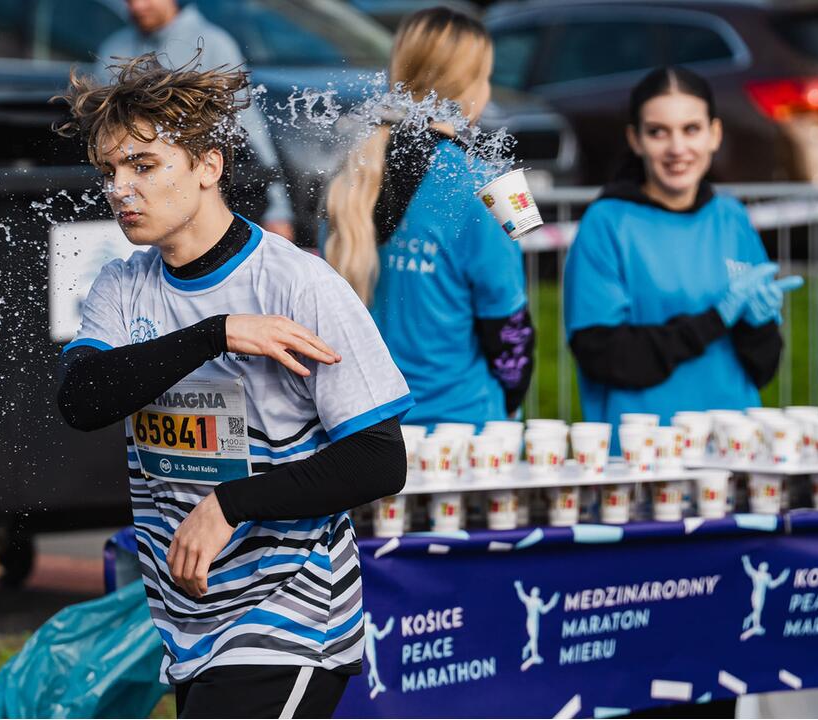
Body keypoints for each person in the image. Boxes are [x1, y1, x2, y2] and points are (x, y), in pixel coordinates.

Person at [53, 54, 413, 718]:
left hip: (293, 618)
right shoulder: (121, 285)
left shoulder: (300, 285)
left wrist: (228, 505)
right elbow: (82, 400)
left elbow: (380, 458)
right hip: (189, 622)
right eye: (109, 171)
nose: (120, 189)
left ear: (207, 167)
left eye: (143, 165)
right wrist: (215, 333)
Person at [324, 7, 534, 430]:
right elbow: (512, 327)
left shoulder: (348, 174)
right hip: (461, 433)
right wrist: (513, 396)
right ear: (473, 89)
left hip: (364, 429)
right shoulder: (497, 186)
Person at [564, 66, 802, 438]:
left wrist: (759, 330)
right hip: (643, 454)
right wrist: (714, 320)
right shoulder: (607, 223)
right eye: (658, 132)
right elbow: (604, 357)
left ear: (714, 134)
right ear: (636, 139)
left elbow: (763, 368)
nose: (677, 148)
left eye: (691, 129)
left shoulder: (732, 217)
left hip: (733, 451)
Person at [98, 0, 295, 241]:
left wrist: (277, 209)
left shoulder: (213, 44)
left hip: (219, 197)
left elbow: (249, 126)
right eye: (129, 0)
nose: (137, 7)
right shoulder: (114, 47)